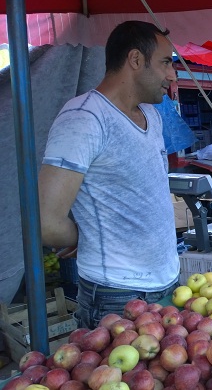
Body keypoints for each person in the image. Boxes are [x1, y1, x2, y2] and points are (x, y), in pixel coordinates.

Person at [38, 21, 180, 329]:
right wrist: (91, 237)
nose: (172, 75)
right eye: (166, 62)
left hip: (167, 284)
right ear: (135, 59)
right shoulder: (84, 118)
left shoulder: (152, 116)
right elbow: (46, 223)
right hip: (116, 295)